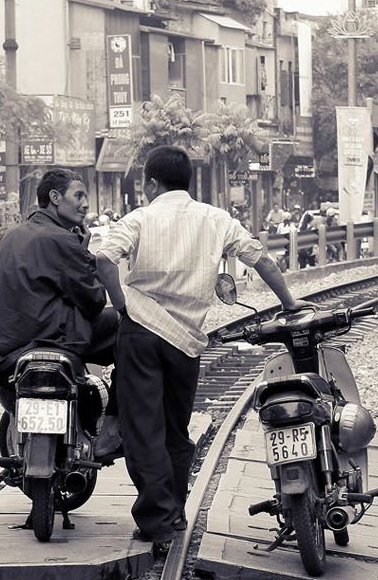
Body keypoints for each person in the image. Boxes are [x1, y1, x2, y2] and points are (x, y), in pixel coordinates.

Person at [93, 146, 307, 552]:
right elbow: (260, 258)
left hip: (140, 332)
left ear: (151, 183)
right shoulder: (216, 219)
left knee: (143, 430)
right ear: (187, 181)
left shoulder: (139, 218)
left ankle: (158, 519)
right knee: (176, 429)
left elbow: (104, 259)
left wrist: (121, 303)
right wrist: (289, 303)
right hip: (186, 342)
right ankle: (174, 510)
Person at [0, 167, 120, 428]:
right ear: (55, 197)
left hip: (4, 350)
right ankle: (115, 419)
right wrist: (82, 252)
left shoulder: (10, 236)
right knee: (128, 328)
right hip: (50, 339)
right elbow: (94, 300)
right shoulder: (61, 239)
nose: (85, 204)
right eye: (78, 196)